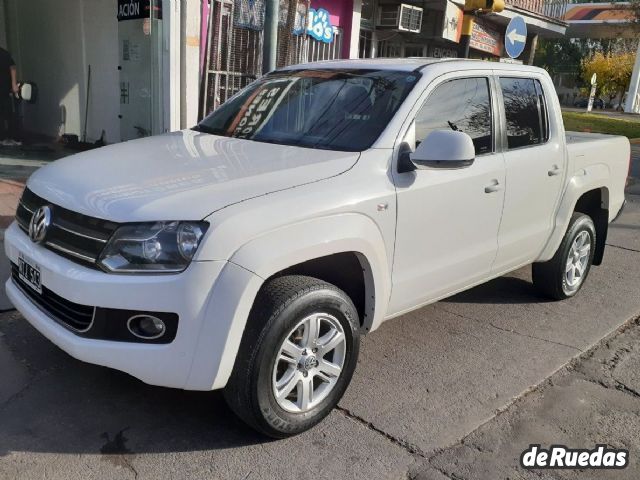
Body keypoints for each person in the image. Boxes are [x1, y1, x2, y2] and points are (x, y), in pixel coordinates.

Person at [0, 46, 19, 145]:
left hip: (4, 89)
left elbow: (12, 67)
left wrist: (14, 84)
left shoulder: (4, 54)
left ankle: (9, 137)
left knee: (7, 113)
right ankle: (3, 138)